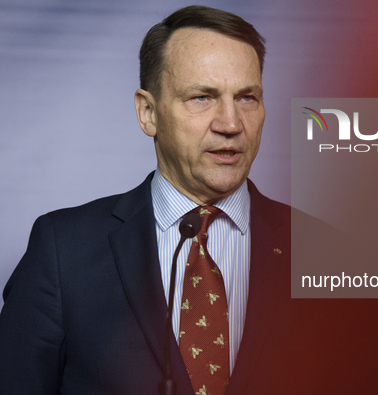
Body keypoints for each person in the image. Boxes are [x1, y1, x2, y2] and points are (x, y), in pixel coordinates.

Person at [0, 5, 314, 395]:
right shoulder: (63, 251)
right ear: (148, 113)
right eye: (202, 97)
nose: (231, 124)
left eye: (247, 97)